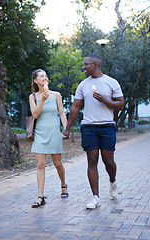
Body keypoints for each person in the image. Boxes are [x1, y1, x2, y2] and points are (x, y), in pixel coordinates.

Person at [63, 54, 125, 209]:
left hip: (107, 126)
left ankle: (112, 180)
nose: (83, 67)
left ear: (96, 65)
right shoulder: (83, 85)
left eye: (86, 64)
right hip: (88, 126)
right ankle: (95, 197)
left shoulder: (111, 82)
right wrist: (67, 128)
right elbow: (75, 107)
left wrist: (105, 100)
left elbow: (121, 104)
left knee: (108, 161)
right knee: (92, 160)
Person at [29, 69, 68, 208]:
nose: (45, 77)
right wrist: (42, 100)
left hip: (54, 134)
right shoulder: (33, 96)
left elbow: (62, 113)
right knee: (40, 165)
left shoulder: (56, 95)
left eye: (46, 75)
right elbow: (35, 114)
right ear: (35, 80)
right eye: (41, 76)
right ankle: (40, 196)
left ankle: (63, 184)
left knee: (58, 164)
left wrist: (66, 128)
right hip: (40, 134)